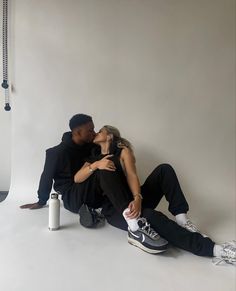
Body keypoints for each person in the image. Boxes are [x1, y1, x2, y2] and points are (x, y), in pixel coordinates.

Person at [20, 114, 236, 265]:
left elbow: (132, 175)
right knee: (152, 216)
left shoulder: (111, 149)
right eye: (91, 130)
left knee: (163, 170)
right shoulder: (73, 154)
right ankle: (213, 249)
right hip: (98, 203)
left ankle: (181, 219)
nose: (95, 132)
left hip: (127, 198)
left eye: (98, 129)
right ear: (77, 132)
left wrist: (138, 197)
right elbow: (73, 177)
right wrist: (41, 199)